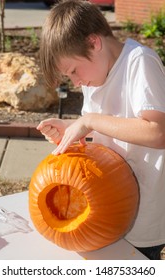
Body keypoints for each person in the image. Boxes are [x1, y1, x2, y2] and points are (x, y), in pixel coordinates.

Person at [37, 0, 165, 259]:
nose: (76, 81)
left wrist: (90, 121)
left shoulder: (139, 63)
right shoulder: (94, 76)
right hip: (107, 211)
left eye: (73, 71)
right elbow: (107, 129)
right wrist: (73, 127)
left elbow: (158, 132)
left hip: (144, 217)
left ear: (94, 43)